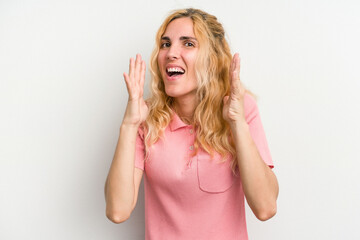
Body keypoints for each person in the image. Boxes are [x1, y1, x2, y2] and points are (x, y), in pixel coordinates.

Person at [105, 8, 279, 240]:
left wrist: (237, 124)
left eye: (188, 44)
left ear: (212, 58)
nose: (171, 53)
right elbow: (118, 210)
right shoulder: (146, 118)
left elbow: (266, 207)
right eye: (165, 44)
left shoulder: (240, 109)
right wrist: (129, 124)